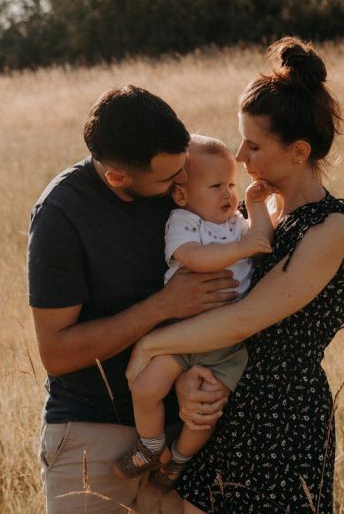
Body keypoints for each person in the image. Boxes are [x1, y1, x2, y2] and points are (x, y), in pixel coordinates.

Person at [126, 37, 344, 512]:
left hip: (281, 418)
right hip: (226, 400)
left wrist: (149, 344)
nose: (239, 155)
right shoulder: (251, 214)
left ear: (298, 151)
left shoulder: (329, 228)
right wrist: (184, 379)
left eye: (253, 144)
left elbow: (243, 320)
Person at [27, 86, 236, 513]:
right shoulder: (62, 215)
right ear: (118, 177)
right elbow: (57, 352)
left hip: (182, 434)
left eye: (183, 169)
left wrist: (194, 380)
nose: (181, 183)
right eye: (167, 179)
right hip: (91, 436)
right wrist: (163, 305)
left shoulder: (180, 180)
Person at [113, 135, 274, 491]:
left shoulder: (237, 223)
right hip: (182, 334)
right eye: (216, 186)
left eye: (232, 185)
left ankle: (180, 459)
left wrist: (255, 206)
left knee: (204, 414)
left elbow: (261, 241)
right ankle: (153, 445)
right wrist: (238, 250)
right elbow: (193, 258)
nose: (227, 195)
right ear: (183, 194)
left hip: (225, 341)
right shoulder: (183, 222)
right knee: (144, 387)